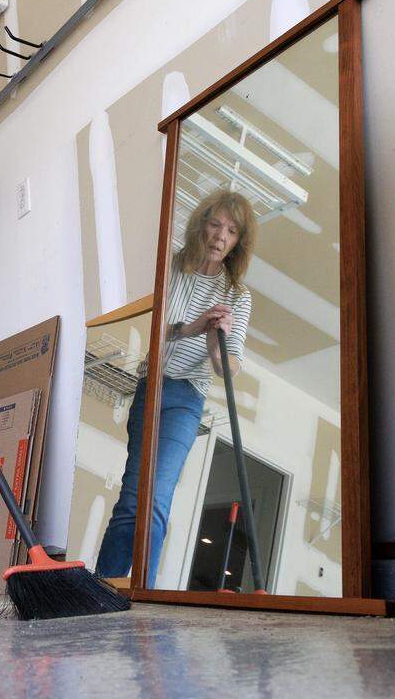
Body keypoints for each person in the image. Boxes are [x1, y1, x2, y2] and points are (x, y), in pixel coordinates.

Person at [95, 189, 257, 586]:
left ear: (238, 242)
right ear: (201, 224)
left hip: (187, 397)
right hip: (150, 386)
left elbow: (226, 368)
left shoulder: (236, 295)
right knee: (131, 501)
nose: (221, 236)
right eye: (216, 224)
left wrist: (217, 337)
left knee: (154, 501)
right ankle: (101, 587)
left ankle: (143, 594)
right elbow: (151, 331)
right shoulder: (168, 269)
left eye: (232, 231)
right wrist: (191, 327)